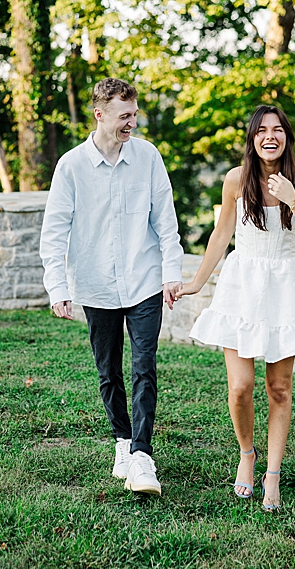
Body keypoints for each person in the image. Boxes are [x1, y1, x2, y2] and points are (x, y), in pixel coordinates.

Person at [175, 104, 295, 511]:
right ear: (252, 138)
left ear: (287, 137)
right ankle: (247, 455)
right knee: (240, 387)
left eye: (278, 129)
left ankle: (273, 476)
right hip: (242, 287)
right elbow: (221, 234)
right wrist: (197, 282)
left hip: (285, 288)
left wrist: (294, 200)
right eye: (262, 130)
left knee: (279, 389)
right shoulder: (236, 179)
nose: (270, 136)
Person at [40, 78, 183, 496]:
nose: (132, 124)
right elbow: (54, 232)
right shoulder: (70, 166)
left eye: (134, 115)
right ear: (99, 115)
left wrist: (170, 273)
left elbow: (166, 222)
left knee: (144, 366)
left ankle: (142, 453)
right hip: (96, 283)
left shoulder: (148, 157)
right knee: (109, 371)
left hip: (144, 281)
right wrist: (57, 287)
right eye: (124, 117)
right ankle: (122, 440)